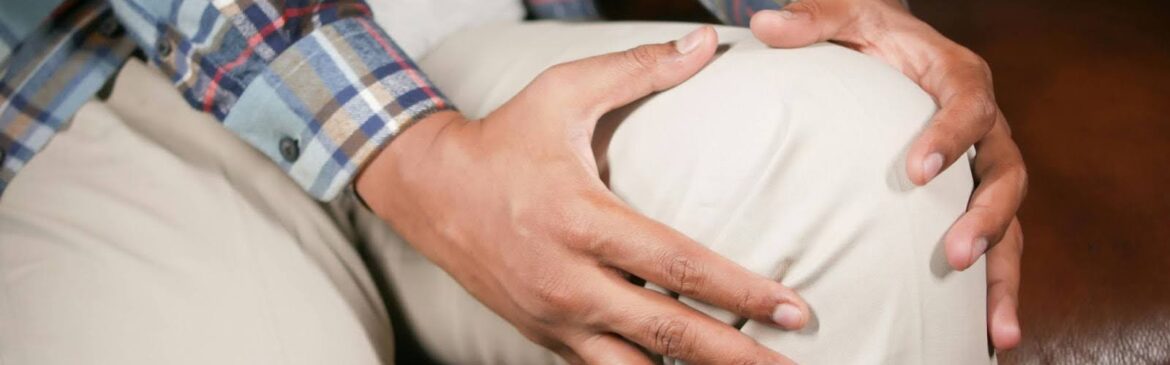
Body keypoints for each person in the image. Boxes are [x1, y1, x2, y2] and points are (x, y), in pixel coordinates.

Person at [0, 0, 1026, 364]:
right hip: (129, 80)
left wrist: (835, 13)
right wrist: (414, 157)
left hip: (484, 35)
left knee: (881, 159)